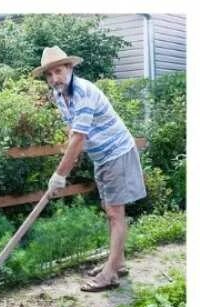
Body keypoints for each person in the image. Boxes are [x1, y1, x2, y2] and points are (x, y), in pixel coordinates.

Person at [35, 46, 147, 292]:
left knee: (115, 213)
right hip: (102, 156)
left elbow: (78, 139)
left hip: (116, 152)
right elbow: (73, 132)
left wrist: (59, 175)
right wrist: (68, 163)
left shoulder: (83, 92)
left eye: (59, 71)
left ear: (70, 68)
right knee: (110, 210)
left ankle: (110, 274)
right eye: (50, 74)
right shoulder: (60, 95)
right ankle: (118, 262)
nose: (55, 78)